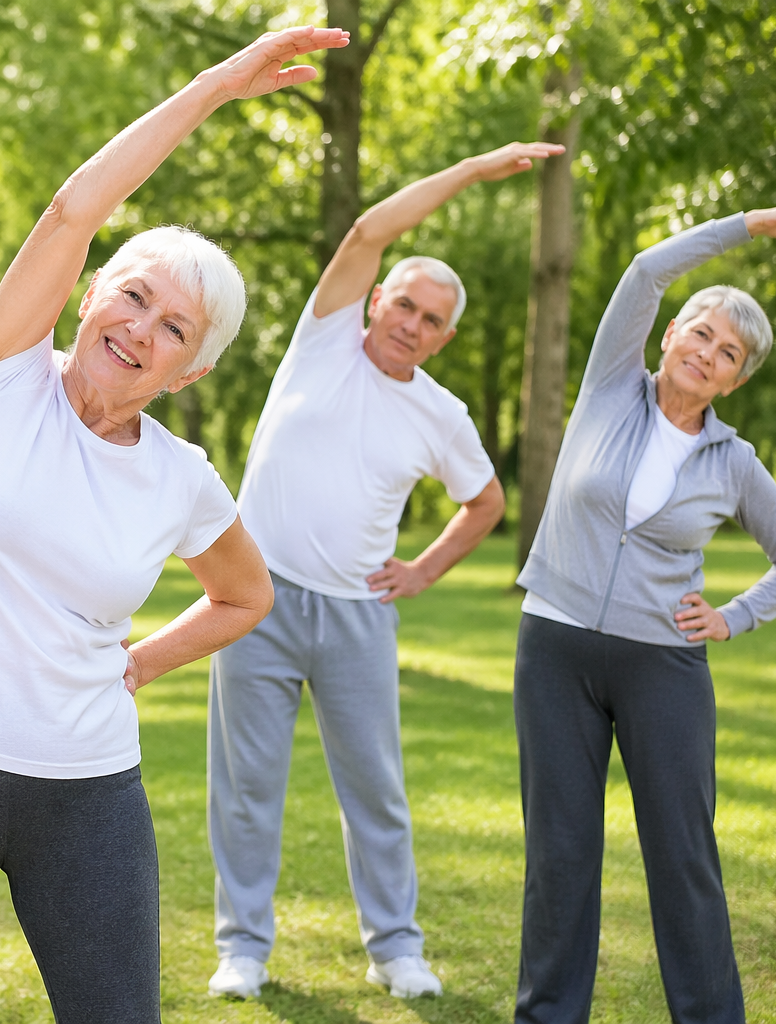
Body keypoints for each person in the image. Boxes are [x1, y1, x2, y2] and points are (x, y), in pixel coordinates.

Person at [0, 27, 354, 1024]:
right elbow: (76, 206)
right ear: (84, 297)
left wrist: (145, 661)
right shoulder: (0, 379)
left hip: (84, 794)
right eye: (133, 295)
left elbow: (246, 594)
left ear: (190, 371)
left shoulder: (182, 478)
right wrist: (213, 88)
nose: (142, 329)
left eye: (176, 330)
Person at [206, 142, 565, 1001]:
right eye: (404, 303)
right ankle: (243, 949)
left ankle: (397, 947)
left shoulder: (441, 413)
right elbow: (370, 226)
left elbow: (485, 503)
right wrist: (472, 171)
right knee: (247, 788)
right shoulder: (322, 340)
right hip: (252, 602)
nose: (412, 323)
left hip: (356, 620)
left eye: (432, 319)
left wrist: (426, 570)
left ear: (445, 336)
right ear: (376, 301)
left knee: (376, 791)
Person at [511, 203, 776, 1024]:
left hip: (664, 667)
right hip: (556, 648)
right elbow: (648, 268)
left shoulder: (734, 462)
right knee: (560, 855)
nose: (706, 354)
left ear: (735, 380)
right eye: (700, 333)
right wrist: (752, 226)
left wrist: (733, 617)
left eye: (727, 354)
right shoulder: (609, 387)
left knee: (683, 858)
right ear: (669, 334)